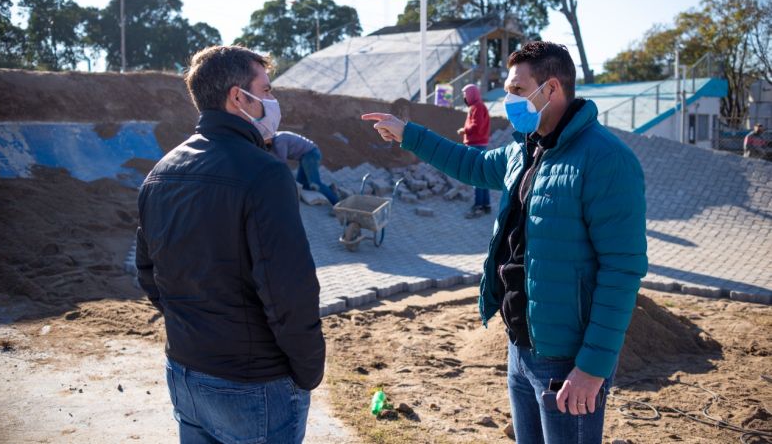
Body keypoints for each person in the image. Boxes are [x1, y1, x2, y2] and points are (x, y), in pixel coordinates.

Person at [362, 41, 647, 443]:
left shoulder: (606, 159)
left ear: (551, 89)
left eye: (516, 90)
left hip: (568, 363)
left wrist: (593, 368)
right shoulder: (525, 148)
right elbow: (473, 165)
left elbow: (623, 269)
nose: (507, 101)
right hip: (521, 347)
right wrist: (409, 134)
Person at [136, 45, 325, 444]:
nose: (274, 101)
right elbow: (289, 289)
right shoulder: (266, 173)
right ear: (239, 97)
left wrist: (196, 330)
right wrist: (308, 370)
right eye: (268, 91)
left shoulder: (160, 171)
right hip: (252, 382)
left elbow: (149, 274)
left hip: (185, 371)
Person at [268, 131, 339, 205]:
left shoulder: (279, 141)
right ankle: (331, 190)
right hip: (305, 156)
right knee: (303, 185)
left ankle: (338, 204)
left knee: (315, 184)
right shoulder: (275, 138)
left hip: (310, 154)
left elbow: (282, 163)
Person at [457, 83, 491, 218]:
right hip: (479, 144)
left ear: (471, 94)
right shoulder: (479, 106)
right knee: (481, 175)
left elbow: (476, 126)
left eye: (465, 95)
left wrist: (463, 130)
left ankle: (478, 206)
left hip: (476, 144)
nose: (464, 97)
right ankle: (486, 205)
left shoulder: (477, 107)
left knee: (476, 176)